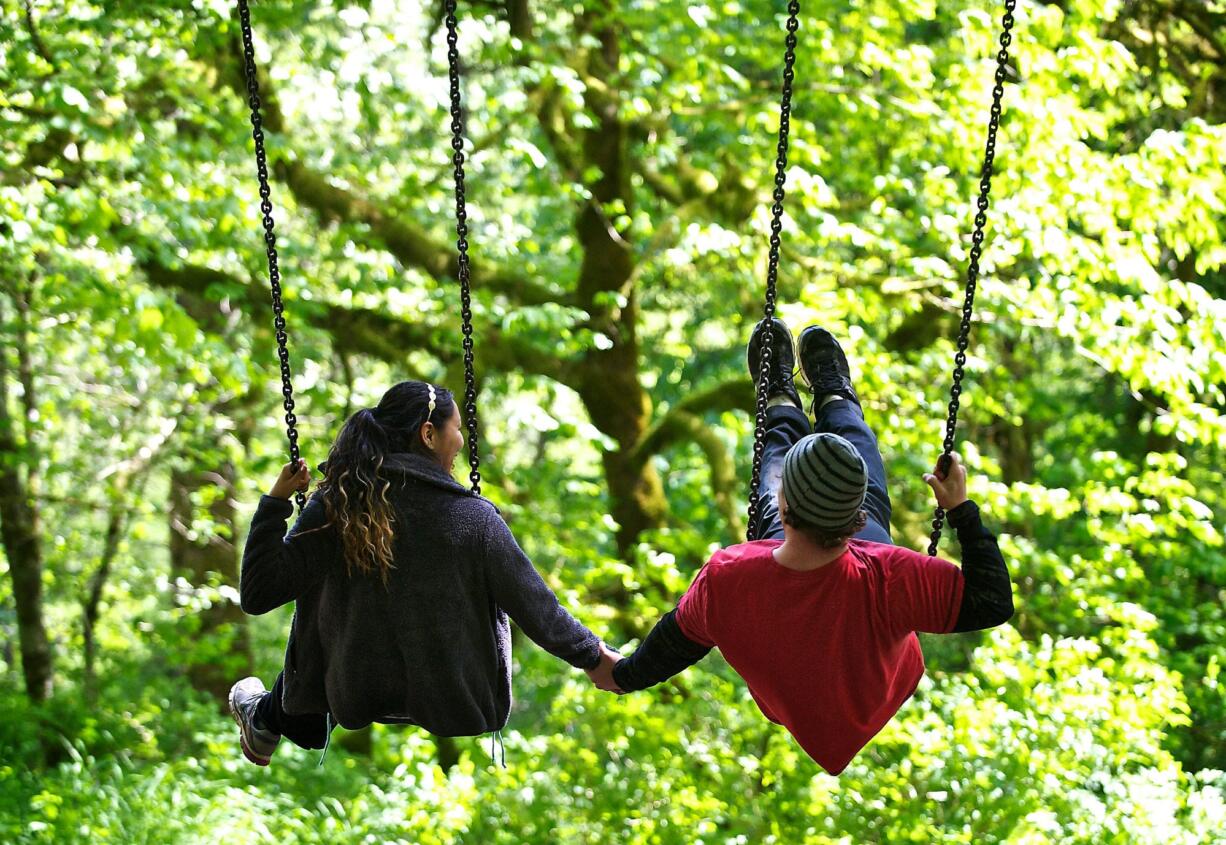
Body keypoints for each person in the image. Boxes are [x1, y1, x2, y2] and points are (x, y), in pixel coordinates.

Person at [594, 320, 1014, 775]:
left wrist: (621, 675)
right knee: (850, 459)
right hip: (884, 684)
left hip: (797, 667)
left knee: (783, 463)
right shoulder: (892, 576)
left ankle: (783, 398)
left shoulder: (730, 579)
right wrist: (961, 509)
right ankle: (832, 396)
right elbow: (991, 602)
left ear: (783, 501)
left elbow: (676, 642)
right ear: (857, 522)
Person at [228, 380, 621, 766]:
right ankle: (271, 716)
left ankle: (273, 717)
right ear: (428, 434)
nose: (463, 441)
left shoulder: (340, 506)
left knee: (332, 586)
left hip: (352, 691)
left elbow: (259, 592)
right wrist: (594, 657)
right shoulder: (475, 519)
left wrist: (276, 503)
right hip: (454, 698)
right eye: (458, 429)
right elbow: (536, 607)